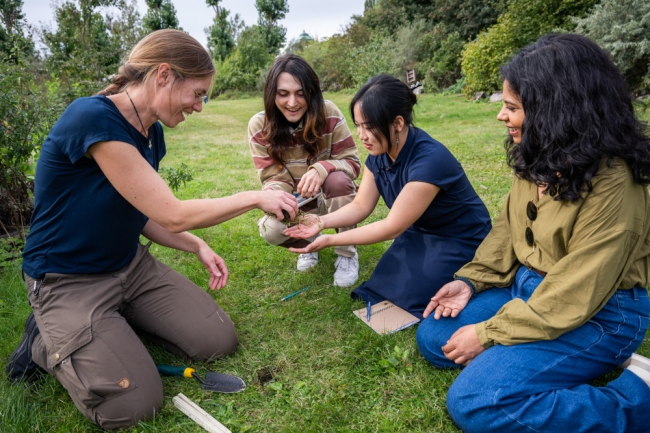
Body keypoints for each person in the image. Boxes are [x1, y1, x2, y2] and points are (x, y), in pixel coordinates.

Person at [5, 29, 297, 430]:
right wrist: (255, 197)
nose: (199, 106)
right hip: (67, 280)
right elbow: (173, 212)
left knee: (217, 340)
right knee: (135, 404)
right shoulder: (92, 118)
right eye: (197, 93)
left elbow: (144, 213)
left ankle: (114, 323)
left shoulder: (151, 133)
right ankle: (43, 340)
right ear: (163, 75)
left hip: (129, 265)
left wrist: (195, 245)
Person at [416, 33, 650, 433]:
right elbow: (509, 229)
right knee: (435, 337)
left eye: (512, 107)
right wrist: (472, 281)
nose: (500, 116)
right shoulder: (539, 154)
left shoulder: (617, 184)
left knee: (476, 401)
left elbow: (576, 291)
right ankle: (547, 361)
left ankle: (637, 395)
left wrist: (490, 334)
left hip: (600, 313)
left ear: (555, 111)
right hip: (530, 290)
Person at [285, 75, 491, 318]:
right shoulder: (379, 156)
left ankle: (476, 280)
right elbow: (362, 205)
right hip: (421, 233)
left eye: (369, 126)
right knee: (381, 289)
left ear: (398, 123)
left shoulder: (430, 160)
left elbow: (392, 227)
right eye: (358, 125)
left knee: (411, 299)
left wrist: (331, 241)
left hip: (460, 238)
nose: (362, 135)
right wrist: (323, 223)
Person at [248, 54, 362, 287]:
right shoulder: (258, 125)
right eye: (283, 94)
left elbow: (352, 163)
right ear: (272, 95)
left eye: (300, 93)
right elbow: (271, 177)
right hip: (298, 202)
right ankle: (308, 242)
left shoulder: (328, 112)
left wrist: (322, 168)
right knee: (270, 230)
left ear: (312, 92)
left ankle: (346, 252)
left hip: (331, 197)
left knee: (338, 180)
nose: (292, 102)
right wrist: (278, 196)